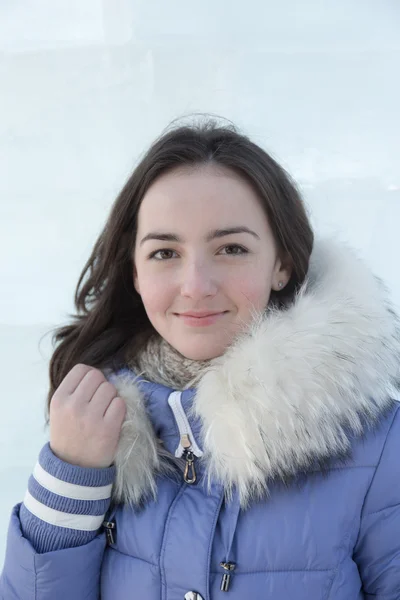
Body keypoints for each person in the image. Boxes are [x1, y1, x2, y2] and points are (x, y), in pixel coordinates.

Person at [1, 118, 400, 600]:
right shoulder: (95, 423)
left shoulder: (377, 441)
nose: (195, 285)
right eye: (165, 253)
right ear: (134, 271)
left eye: (231, 248)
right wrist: (70, 477)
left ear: (282, 263)